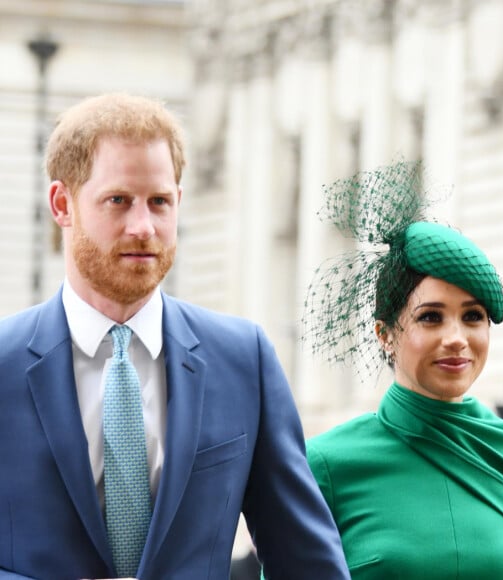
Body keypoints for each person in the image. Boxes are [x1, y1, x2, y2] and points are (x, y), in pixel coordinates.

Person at [0, 93, 350, 580]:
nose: (144, 227)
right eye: (118, 201)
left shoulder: (242, 360)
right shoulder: (3, 363)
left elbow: (306, 561)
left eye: (159, 202)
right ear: (62, 204)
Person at [301, 162, 503, 579]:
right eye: (431, 317)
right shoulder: (326, 465)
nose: (456, 337)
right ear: (385, 333)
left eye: (473, 316)